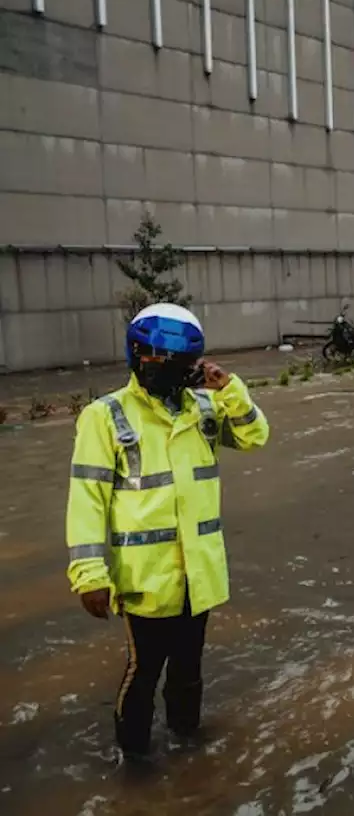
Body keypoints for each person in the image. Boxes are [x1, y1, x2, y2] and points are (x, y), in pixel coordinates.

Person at [65, 303, 270, 772]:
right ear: (137, 357)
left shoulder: (204, 407)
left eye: (177, 364)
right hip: (145, 578)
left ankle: (188, 747)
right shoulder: (105, 416)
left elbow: (255, 437)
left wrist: (231, 391)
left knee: (188, 669)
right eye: (157, 361)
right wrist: (88, 573)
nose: (165, 371)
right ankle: (134, 763)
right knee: (143, 673)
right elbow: (87, 499)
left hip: (197, 573)